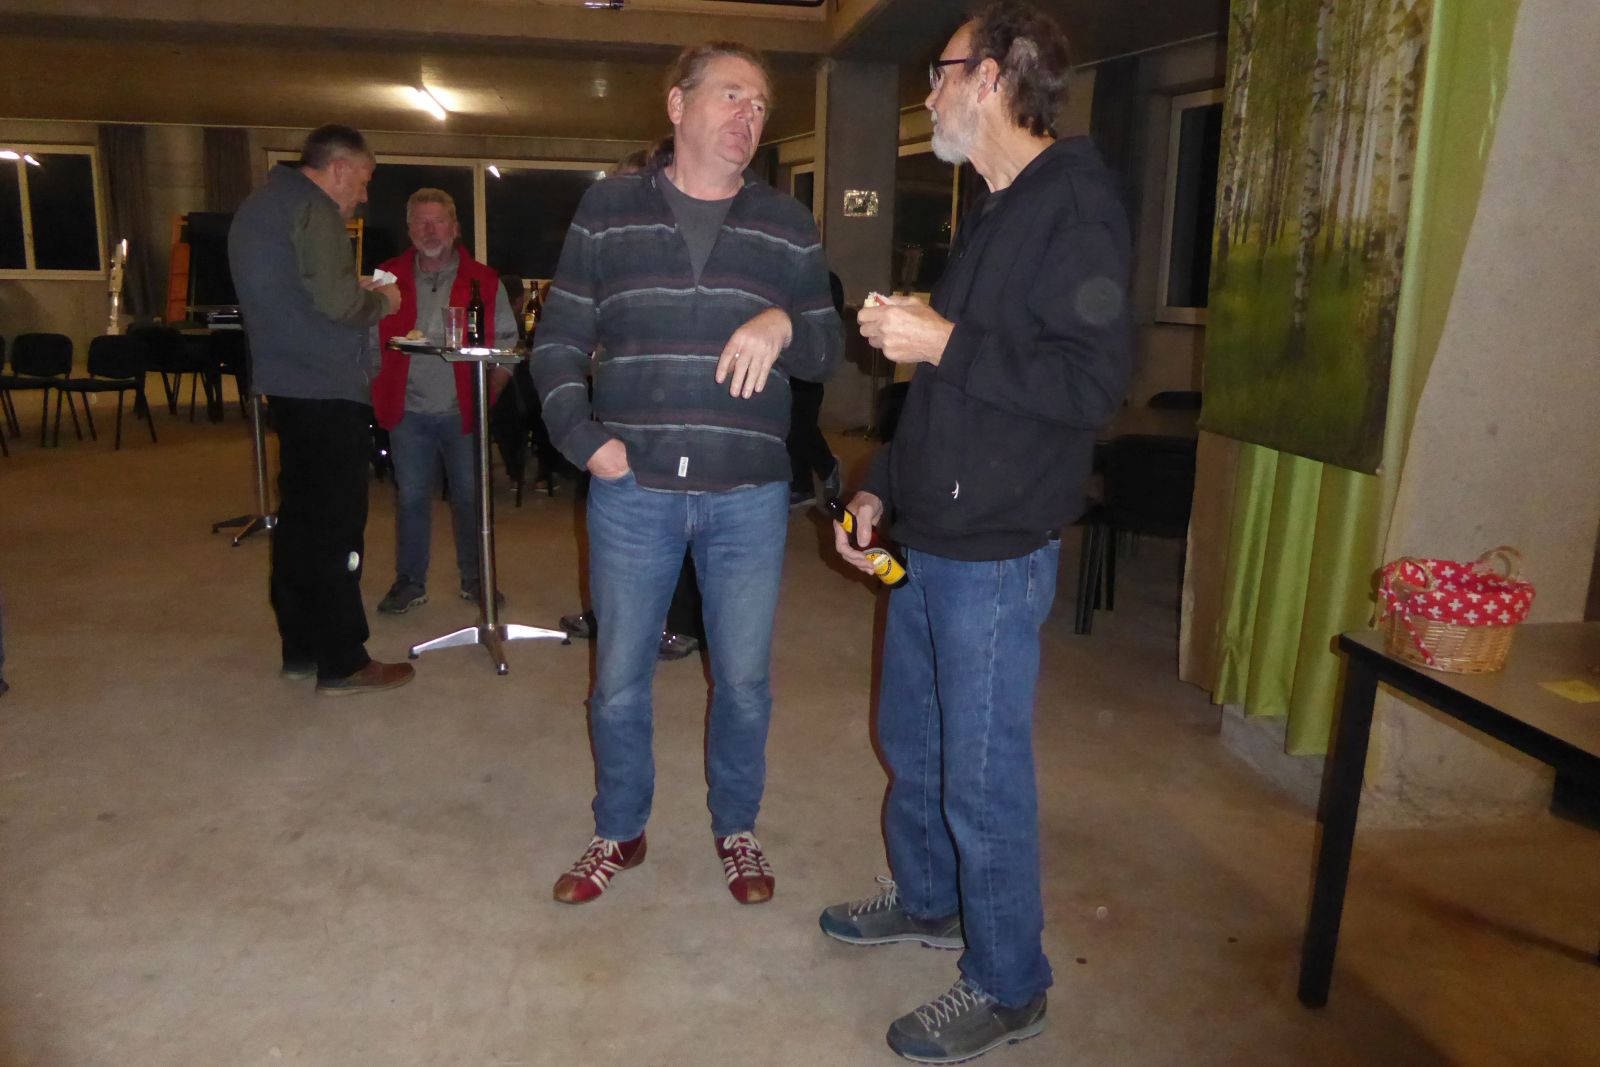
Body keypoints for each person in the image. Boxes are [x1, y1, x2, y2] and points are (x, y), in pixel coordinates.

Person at [819, 4, 1131, 1062]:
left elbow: (1089, 385)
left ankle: (1008, 981)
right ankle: (929, 896)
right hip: (931, 530)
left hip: (996, 548)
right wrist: (879, 489)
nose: (928, 92)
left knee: (981, 772)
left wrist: (942, 338)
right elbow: (947, 389)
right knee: (912, 739)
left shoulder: (1075, 205)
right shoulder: (997, 206)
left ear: (992, 77)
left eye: (941, 72)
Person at [532, 42, 842, 905]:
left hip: (748, 495)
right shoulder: (609, 209)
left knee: (742, 681)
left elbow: (827, 346)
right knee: (619, 680)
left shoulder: (786, 222)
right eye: (732, 95)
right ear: (677, 105)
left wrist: (785, 322)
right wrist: (582, 438)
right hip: (633, 492)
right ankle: (618, 828)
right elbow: (557, 341)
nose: (750, 115)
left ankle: (736, 825)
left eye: (761, 104)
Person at [229, 124, 415, 696]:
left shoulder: (262, 205)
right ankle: (343, 659)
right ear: (338, 169)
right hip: (326, 386)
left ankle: (302, 648)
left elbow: (305, 291)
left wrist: (347, 290)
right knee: (336, 528)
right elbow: (338, 305)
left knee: (300, 524)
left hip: (288, 382)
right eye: (363, 179)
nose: (364, 194)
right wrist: (382, 300)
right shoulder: (314, 211)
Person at [556, 139, 705, 661]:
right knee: (616, 532)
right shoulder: (612, 247)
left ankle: (674, 623)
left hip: (679, 425)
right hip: (618, 418)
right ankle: (613, 614)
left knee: (678, 525)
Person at [371, 188, 518, 614]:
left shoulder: (484, 280)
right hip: (406, 410)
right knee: (411, 498)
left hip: (463, 413)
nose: (430, 230)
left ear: (455, 228)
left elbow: (508, 347)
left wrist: (485, 399)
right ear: (409, 228)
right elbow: (367, 337)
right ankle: (409, 581)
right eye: (421, 221)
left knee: (471, 499)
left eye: (438, 221)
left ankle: (477, 578)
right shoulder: (386, 277)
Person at [785, 271, 844, 509]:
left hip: (810, 369)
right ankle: (803, 485)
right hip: (788, 365)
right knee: (795, 426)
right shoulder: (792, 278)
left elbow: (829, 330)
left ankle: (825, 468)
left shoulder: (827, 281)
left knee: (801, 425)